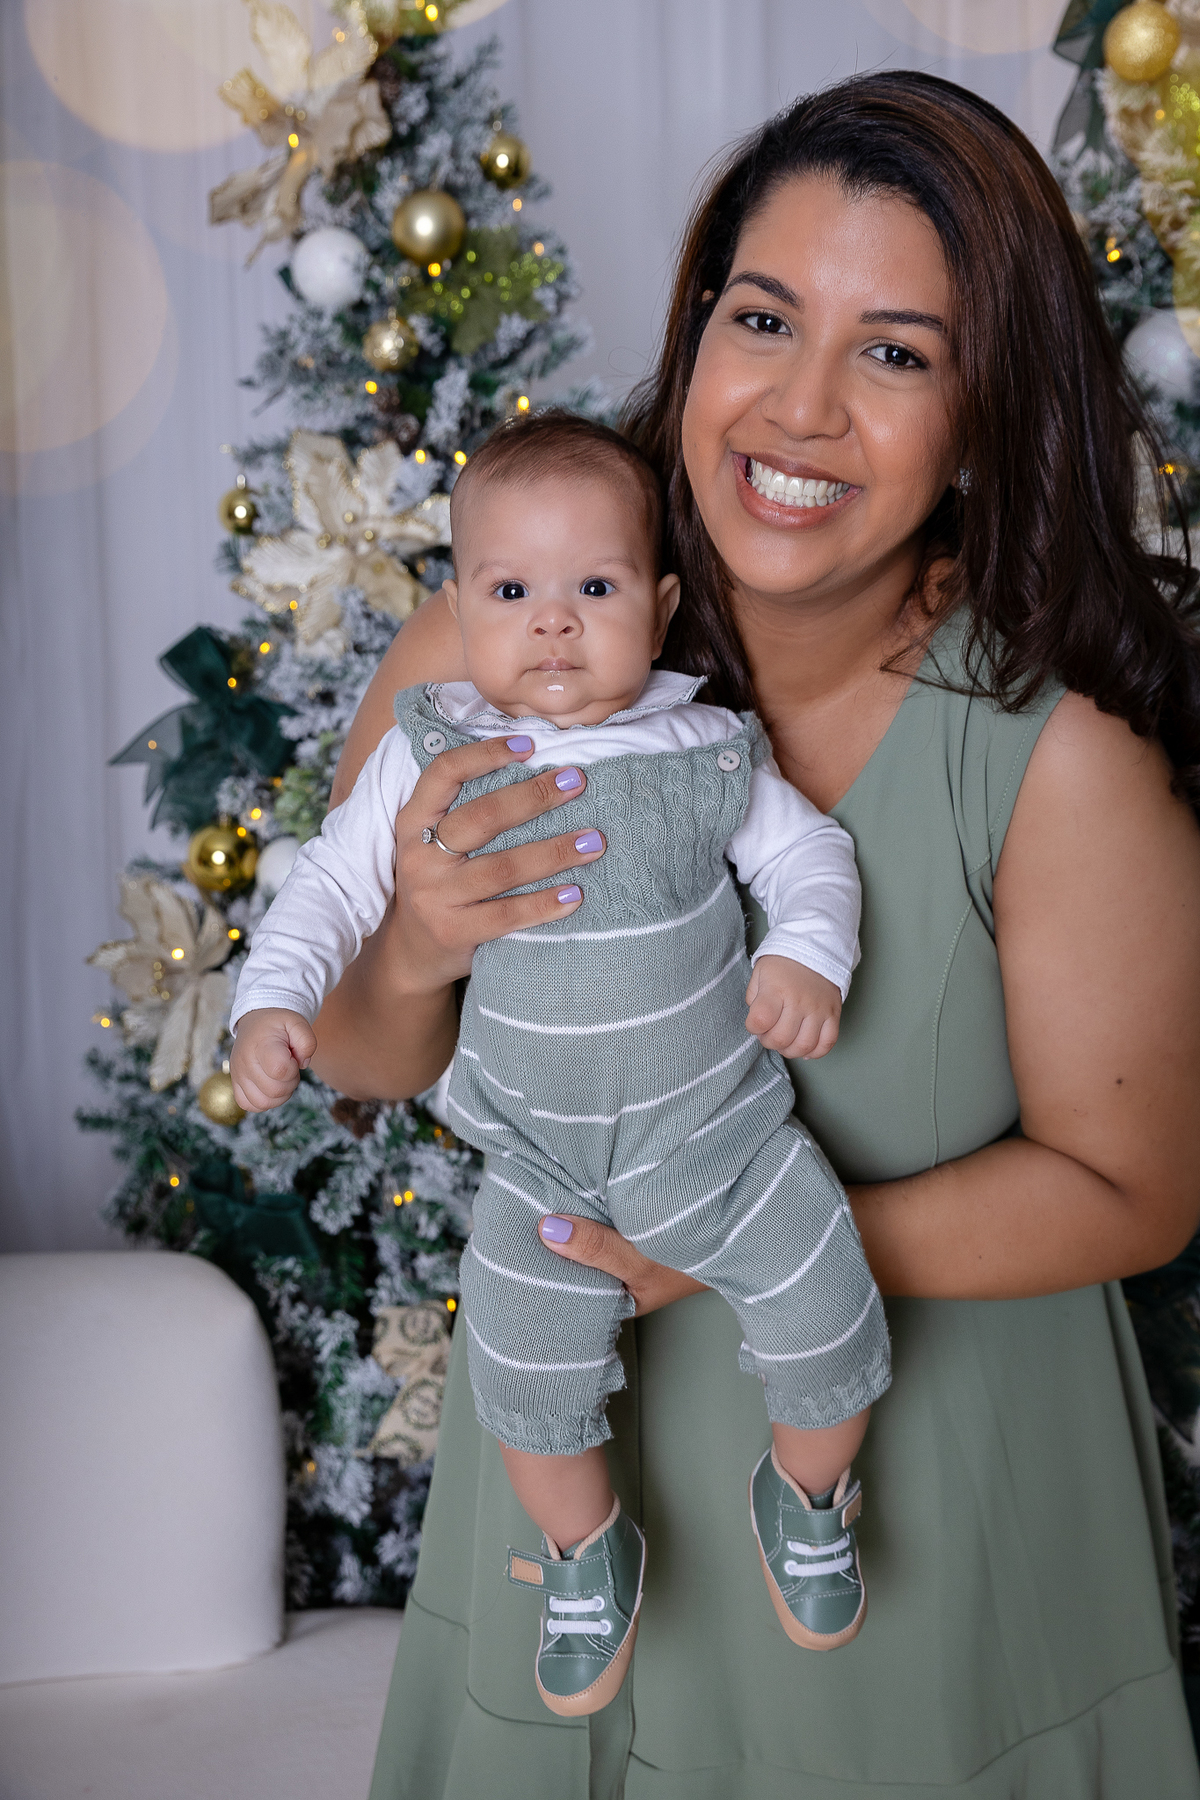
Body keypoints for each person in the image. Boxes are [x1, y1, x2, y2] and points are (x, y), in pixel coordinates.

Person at [315, 71, 1200, 1799]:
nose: (800, 409)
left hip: (933, 1563)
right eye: (766, 318)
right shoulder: (490, 654)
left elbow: (1136, 1189)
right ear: (696, 329)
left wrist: (740, 1243)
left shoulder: (1059, 758)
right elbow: (363, 1056)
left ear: (985, 413)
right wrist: (415, 943)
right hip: (569, 1523)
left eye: (897, 354)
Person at [230, 411, 890, 1714]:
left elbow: (811, 854)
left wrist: (807, 956)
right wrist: (272, 1003)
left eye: (593, 589)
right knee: (525, 1370)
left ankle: (809, 1494)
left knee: (827, 1305)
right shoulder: (433, 754)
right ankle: (587, 1552)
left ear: (660, 608)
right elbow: (328, 888)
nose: (552, 625)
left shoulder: (702, 747)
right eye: (511, 593)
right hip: (539, 1159)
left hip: (720, 1134)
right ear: (457, 608)